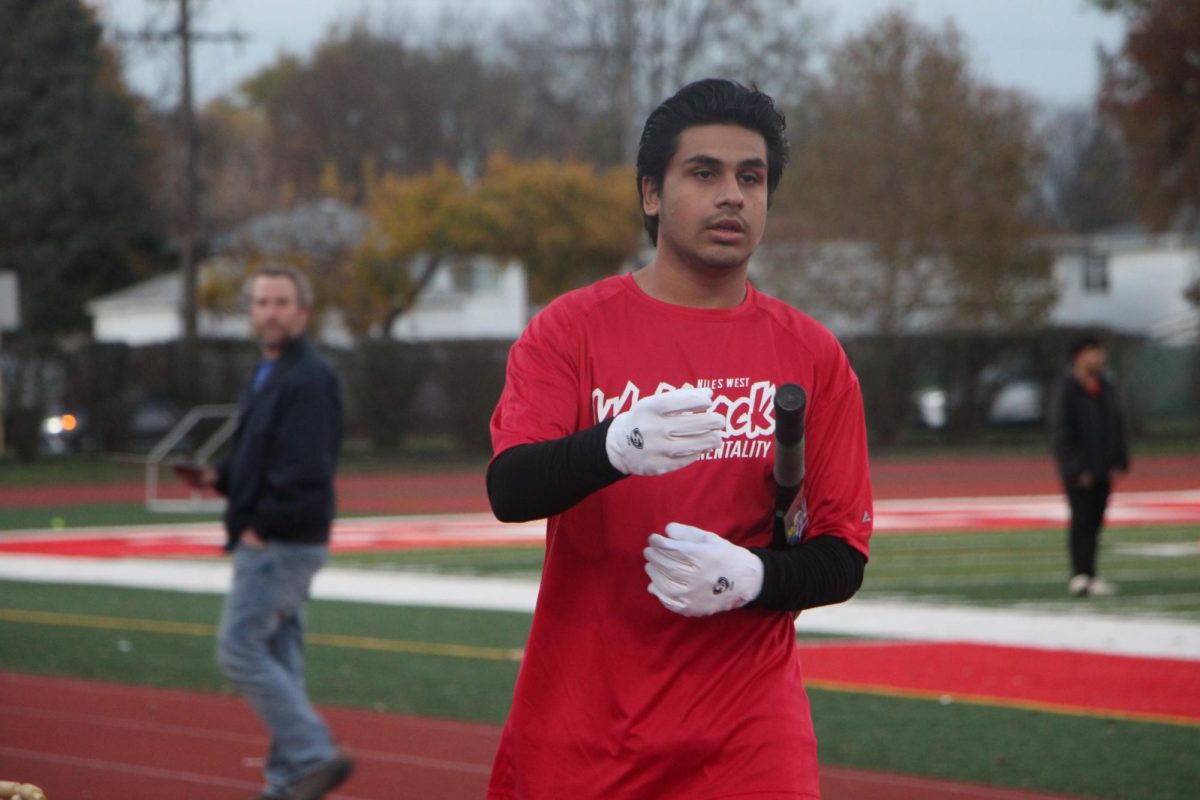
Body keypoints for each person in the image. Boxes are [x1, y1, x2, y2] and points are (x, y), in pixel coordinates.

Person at [486, 79, 873, 799]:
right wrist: (609, 447)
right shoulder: (569, 331)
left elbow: (841, 555)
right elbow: (509, 489)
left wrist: (754, 578)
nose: (732, 195)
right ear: (651, 195)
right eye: (704, 173)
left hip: (749, 739)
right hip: (587, 733)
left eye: (750, 178)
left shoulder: (814, 356)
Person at [177, 264, 352, 800]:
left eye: (280, 302)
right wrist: (218, 477)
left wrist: (259, 529)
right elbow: (263, 457)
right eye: (261, 303)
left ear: (302, 312)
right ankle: (285, 785)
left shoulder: (309, 378)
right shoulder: (268, 372)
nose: (270, 312)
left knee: (239, 649)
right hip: (279, 535)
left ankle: (314, 754)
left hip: (280, 541)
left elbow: (303, 470)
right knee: (277, 655)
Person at [1049, 335, 1130, 598]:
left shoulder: (1106, 385)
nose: (1099, 358)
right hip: (1080, 468)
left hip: (1102, 465)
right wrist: (1074, 467)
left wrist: (1119, 458)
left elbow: (1115, 423)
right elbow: (1060, 430)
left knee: (1095, 521)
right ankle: (1080, 575)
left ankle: (1090, 575)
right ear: (1080, 356)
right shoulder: (1067, 387)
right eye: (1093, 352)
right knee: (1082, 520)